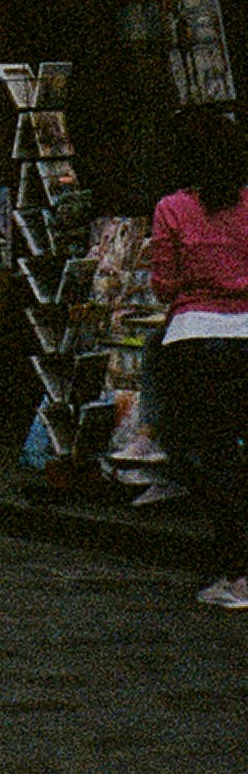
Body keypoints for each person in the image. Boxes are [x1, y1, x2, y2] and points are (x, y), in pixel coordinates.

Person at [149, 106, 248, 607]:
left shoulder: (171, 209)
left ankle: (238, 572)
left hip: (197, 339)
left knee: (212, 456)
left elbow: (164, 285)